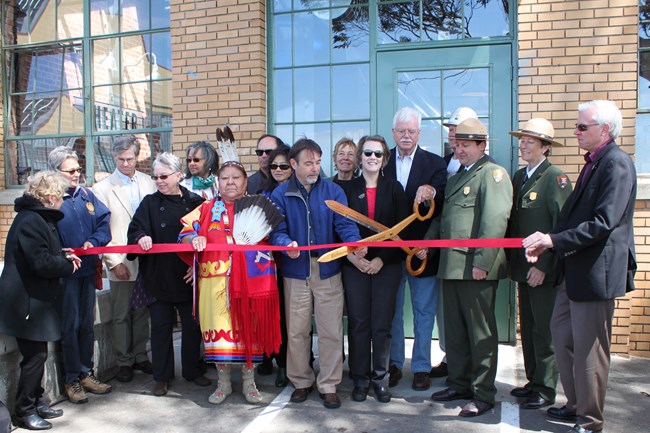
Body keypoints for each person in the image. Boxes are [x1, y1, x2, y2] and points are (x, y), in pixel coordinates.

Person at [523, 100, 637, 433]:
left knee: (590, 351)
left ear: (605, 129)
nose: (576, 132)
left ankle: (590, 421)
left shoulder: (616, 164)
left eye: (582, 127)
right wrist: (550, 242)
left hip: (595, 274)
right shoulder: (593, 164)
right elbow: (576, 217)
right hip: (574, 272)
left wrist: (553, 241)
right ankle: (575, 404)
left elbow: (604, 222)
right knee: (563, 337)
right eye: (577, 126)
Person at [421, 118, 512, 417]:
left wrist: (482, 263)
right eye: (456, 144)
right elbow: (445, 218)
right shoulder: (459, 176)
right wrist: (428, 243)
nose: (459, 150)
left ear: (482, 145)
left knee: (480, 333)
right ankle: (459, 383)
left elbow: (494, 221)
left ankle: (483, 393)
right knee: (456, 332)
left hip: (475, 268)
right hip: (451, 265)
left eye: (465, 145)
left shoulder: (492, 174)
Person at [270, 138, 365, 409]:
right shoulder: (281, 195)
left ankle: (329, 384)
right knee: (297, 331)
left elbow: (344, 225)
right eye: (308, 162)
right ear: (293, 164)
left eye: (318, 162)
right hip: (295, 271)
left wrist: (353, 244)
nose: (314, 167)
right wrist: (284, 244)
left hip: (328, 269)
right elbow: (277, 230)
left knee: (331, 331)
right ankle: (301, 382)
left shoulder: (334, 191)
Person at [180, 159, 281, 405]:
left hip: (249, 281)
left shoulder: (256, 208)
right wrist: (194, 239)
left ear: (246, 181)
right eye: (225, 178)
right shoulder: (205, 209)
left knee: (249, 330)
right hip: (214, 283)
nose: (230, 182)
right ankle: (222, 384)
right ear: (218, 182)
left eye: (236, 177)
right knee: (219, 334)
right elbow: (184, 230)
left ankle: (250, 383)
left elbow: (271, 241)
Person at [0, 171, 80, 430]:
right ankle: (24, 409)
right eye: (60, 196)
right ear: (48, 197)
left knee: (38, 355)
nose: (62, 201)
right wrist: (66, 265)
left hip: (34, 302)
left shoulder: (38, 219)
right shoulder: (32, 220)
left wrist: (61, 255)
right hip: (25, 303)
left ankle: (38, 400)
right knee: (34, 358)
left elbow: (44, 253)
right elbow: (40, 263)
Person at [127, 152, 210, 397]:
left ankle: (193, 371)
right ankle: (161, 377)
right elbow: (135, 228)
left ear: (178, 175)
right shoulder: (150, 203)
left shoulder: (195, 201)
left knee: (193, 328)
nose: (159, 181)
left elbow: (207, 236)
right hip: (158, 276)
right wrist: (141, 237)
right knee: (160, 329)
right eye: (155, 177)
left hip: (187, 276)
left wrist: (196, 266)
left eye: (164, 176)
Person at [507, 118, 573, 410]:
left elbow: (561, 228)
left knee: (544, 331)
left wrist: (544, 265)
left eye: (530, 141)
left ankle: (546, 388)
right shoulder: (520, 176)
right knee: (529, 326)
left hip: (542, 270)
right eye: (522, 140)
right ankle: (534, 380)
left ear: (545, 147)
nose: (523, 144)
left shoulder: (555, 178)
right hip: (523, 267)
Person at [339, 135, 409, 404]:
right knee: (358, 324)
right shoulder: (346, 190)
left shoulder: (395, 189)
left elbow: (402, 230)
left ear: (385, 159)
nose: (372, 157)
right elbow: (340, 226)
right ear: (360, 157)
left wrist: (381, 259)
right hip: (354, 265)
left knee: (381, 325)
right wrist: (355, 258)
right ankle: (359, 378)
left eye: (378, 154)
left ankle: (379, 379)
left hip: (386, 266)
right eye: (367, 153)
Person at [383, 107, 447, 391]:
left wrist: (432, 191)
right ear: (393, 133)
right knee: (393, 312)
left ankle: (421, 367)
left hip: (423, 254)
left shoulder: (435, 164)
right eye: (401, 131)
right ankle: (395, 364)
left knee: (424, 313)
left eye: (411, 131)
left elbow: (442, 205)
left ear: (419, 133)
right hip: (392, 254)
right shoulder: (381, 162)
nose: (406, 136)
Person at [47, 147, 112, 405]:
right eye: (71, 170)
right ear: (56, 172)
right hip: (66, 274)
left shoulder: (87, 195)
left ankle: (86, 372)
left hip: (88, 271)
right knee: (70, 326)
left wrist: (93, 241)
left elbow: (104, 223)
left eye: (78, 169)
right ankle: (71, 378)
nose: (77, 174)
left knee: (87, 325)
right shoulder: (50, 199)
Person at [93, 136, 156, 383]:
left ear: (137, 157)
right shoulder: (102, 189)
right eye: (121, 159)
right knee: (121, 314)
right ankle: (124, 361)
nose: (126, 163)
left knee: (141, 311)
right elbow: (102, 229)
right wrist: (114, 262)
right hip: (120, 260)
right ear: (114, 158)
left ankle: (141, 355)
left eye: (130, 158)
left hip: (148, 260)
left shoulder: (150, 183)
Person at [430, 106, 481, 380]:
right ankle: (451, 357)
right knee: (446, 312)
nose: (453, 137)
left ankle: (471, 364)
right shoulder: (444, 162)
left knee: (470, 316)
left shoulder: (486, 168)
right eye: (450, 131)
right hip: (444, 252)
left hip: (469, 257)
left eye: (459, 133)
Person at [255, 144, 291, 387]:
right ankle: (267, 355)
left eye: (283, 166)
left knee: (288, 318)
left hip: (290, 262)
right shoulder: (262, 193)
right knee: (268, 314)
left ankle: (286, 364)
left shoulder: (296, 192)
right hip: (265, 264)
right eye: (274, 166)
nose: (278, 169)